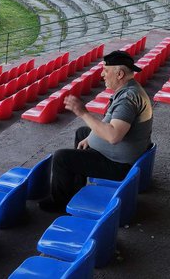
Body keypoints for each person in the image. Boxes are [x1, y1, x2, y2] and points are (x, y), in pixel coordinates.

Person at [38, 50, 153, 212]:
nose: (102, 75)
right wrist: (91, 138)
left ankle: (60, 202)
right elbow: (109, 124)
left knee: (61, 158)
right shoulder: (132, 89)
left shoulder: (128, 99)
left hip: (119, 165)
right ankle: (75, 189)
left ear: (119, 74)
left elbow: (113, 136)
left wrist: (83, 112)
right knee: (83, 133)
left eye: (106, 71)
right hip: (126, 153)